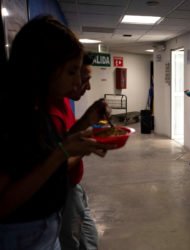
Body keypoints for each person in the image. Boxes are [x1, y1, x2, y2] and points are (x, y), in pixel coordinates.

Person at [0, 15, 113, 249]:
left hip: (46, 226)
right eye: (71, 72)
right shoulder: (13, 116)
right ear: (45, 68)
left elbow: (49, 153)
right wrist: (63, 153)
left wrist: (86, 122)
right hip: (22, 235)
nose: (76, 83)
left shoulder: (37, 107)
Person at [50, 53, 104, 250]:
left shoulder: (62, 101)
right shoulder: (46, 114)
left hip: (75, 186)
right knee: (72, 241)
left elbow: (65, 141)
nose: (86, 86)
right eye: (81, 77)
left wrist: (87, 121)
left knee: (89, 238)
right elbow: (54, 163)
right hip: (64, 190)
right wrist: (85, 146)